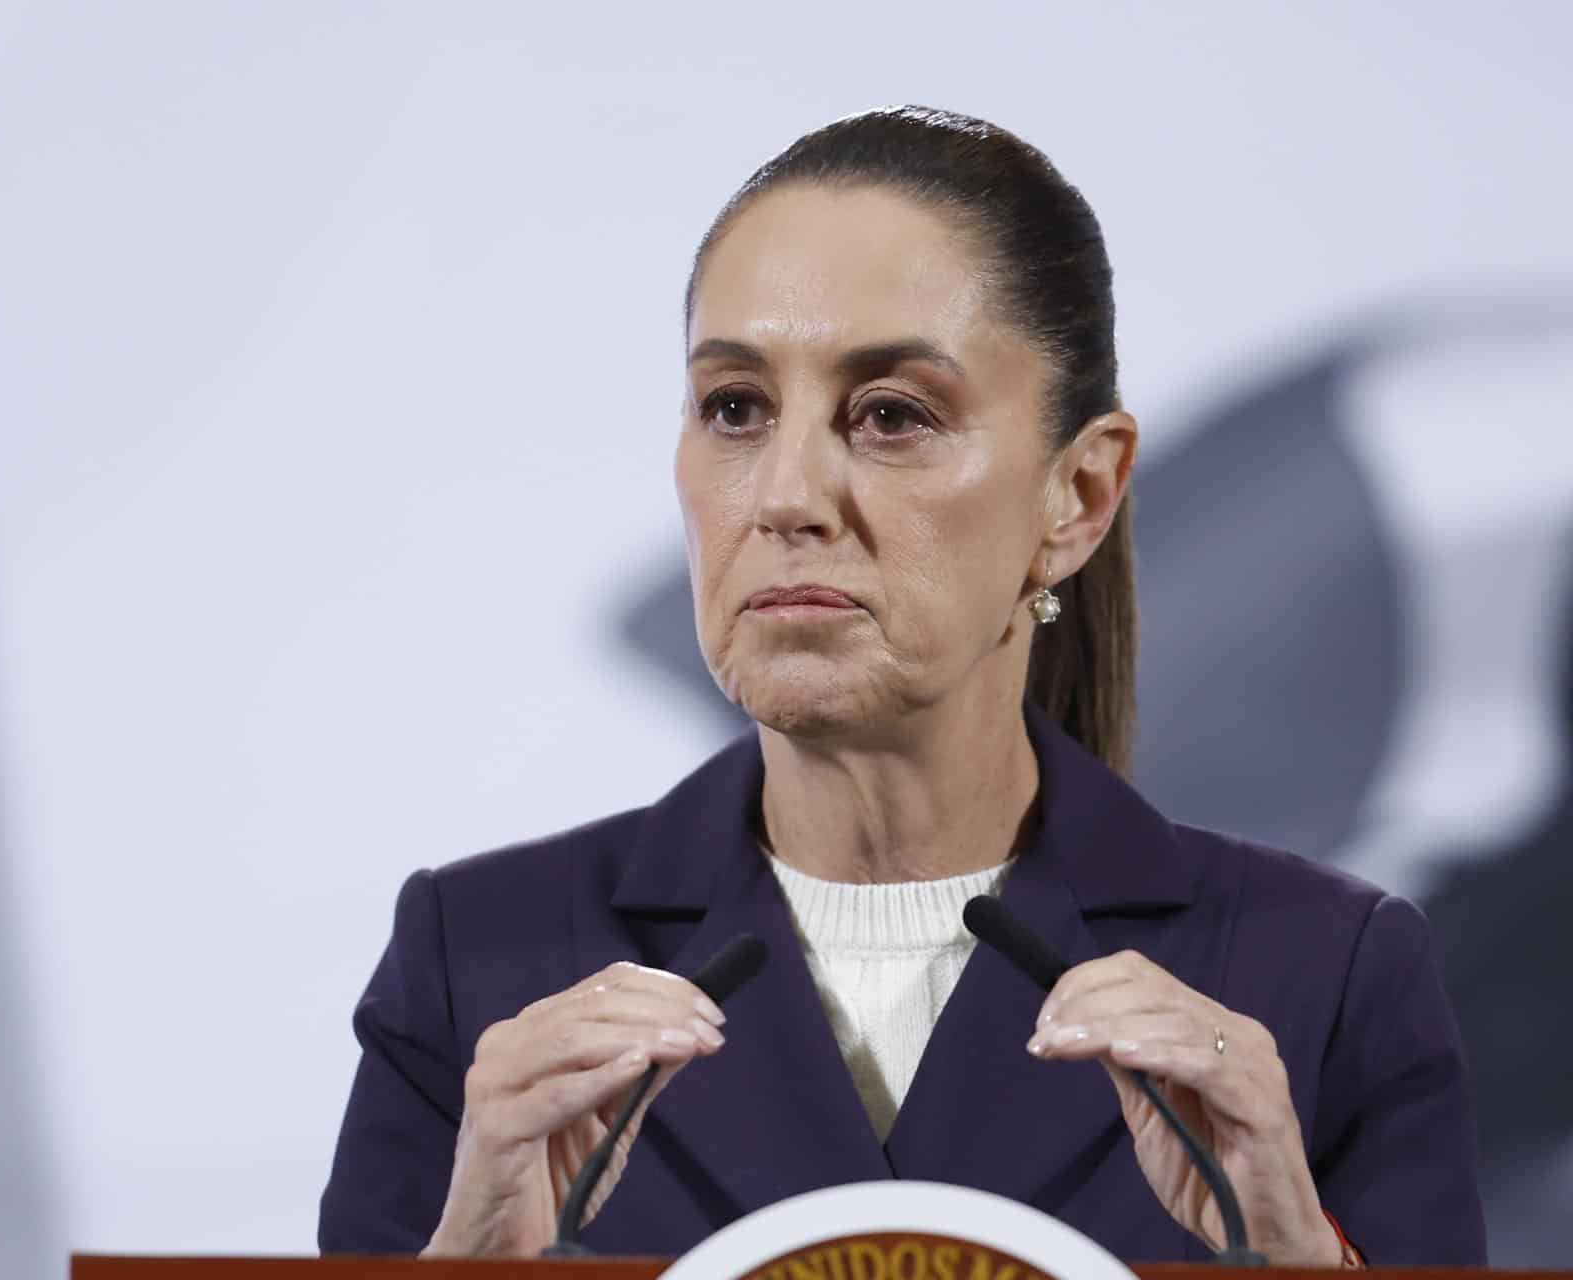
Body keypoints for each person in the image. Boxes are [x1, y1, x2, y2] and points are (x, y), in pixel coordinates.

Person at [317, 107, 1485, 1265]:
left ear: (1077, 495)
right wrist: (468, 1260)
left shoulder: (1324, 972)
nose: (786, 495)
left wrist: (1298, 1259)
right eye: (735, 406)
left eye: (890, 415)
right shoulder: (479, 964)